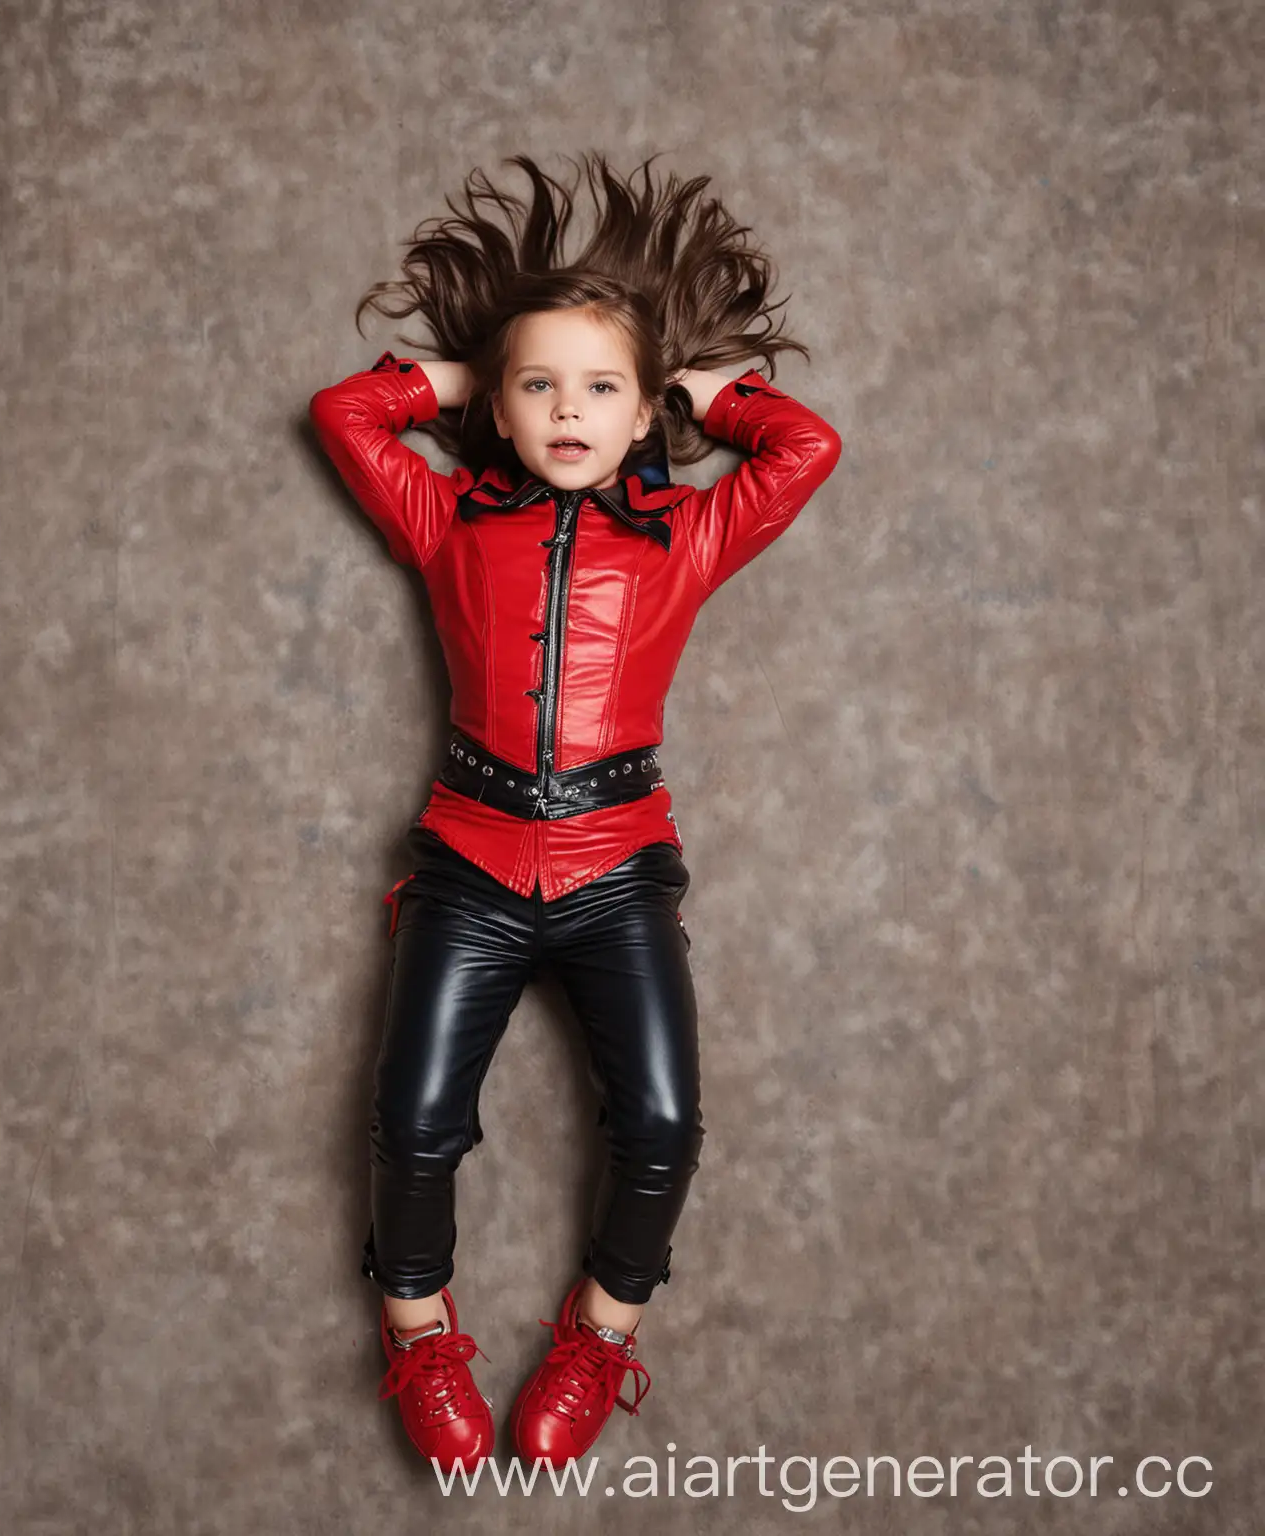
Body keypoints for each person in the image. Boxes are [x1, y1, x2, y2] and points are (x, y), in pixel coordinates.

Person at [309, 152, 843, 1473]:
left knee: (664, 1124)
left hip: (617, 867)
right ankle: (418, 1331)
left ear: (640, 409)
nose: (567, 409)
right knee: (411, 1117)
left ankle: (599, 1334)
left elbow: (809, 443)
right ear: (499, 408)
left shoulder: (694, 534)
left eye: (601, 387)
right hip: (469, 863)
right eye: (536, 384)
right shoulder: (443, 520)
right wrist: (442, 379)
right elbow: (343, 413)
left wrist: (713, 395)